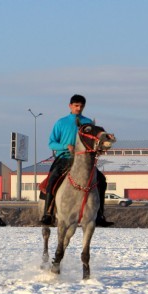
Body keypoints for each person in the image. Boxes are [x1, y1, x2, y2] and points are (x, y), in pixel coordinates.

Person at [39, 94, 114, 227]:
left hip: (84, 160)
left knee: (101, 180)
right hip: (65, 158)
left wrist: (106, 139)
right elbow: (51, 143)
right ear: (70, 106)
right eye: (76, 106)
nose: (79, 108)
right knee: (52, 179)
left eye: (81, 106)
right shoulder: (61, 122)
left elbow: (96, 140)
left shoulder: (88, 123)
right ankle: (48, 213)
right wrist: (65, 146)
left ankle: (100, 215)